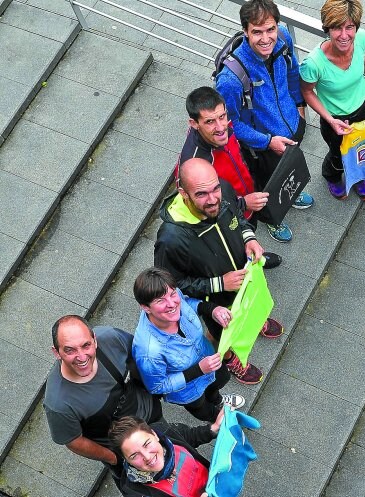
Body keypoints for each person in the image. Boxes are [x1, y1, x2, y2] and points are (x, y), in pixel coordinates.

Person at [154, 158, 284, 385]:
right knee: (221, 332)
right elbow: (171, 287)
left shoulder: (222, 188)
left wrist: (249, 238)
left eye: (215, 189)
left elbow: (238, 220)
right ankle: (230, 358)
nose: (213, 198)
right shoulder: (171, 239)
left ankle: (254, 323)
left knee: (251, 308)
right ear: (183, 193)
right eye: (202, 194)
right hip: (214, 300)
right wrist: (219, 284)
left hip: (246, 280)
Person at [215, 0, 314, 243]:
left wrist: (299, 108)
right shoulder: (231, 79)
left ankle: (291, 193)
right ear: (246, 31)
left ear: (277, 25)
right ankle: (272, 219)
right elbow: (230, 125)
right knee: (266, 185)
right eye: (257, 32)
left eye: (270, 29)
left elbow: (292, 72)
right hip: (261, 146)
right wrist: (268, 142)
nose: (266, 38)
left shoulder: (283, 40)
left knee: (288, 172)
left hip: (291, 126)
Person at [43, 315, 163, 496]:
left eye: (86, 345)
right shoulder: (58, 403)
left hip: (151, 416)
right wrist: (114, 458)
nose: (82, 357)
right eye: (69, 350)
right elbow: (74, 441)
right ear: (56, 352)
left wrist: (154, 389)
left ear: (95, 340)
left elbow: (139, 356)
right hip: (124, 450)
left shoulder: (111, 338)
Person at [300, 0, 365, 200]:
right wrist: (330, 120)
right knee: (338, 155)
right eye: (336, 28)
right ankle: (332, 176)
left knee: (363, 146)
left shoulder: (362, 39)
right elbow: (307, 92)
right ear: (327, 28)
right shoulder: (313, 63)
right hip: (336, 118)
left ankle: (359, 178)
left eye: (349, 27)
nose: (344, 35)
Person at [132, 267, 245, 422]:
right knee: (202, 408)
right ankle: (218, 420)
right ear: (145, 307)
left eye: (172, 294)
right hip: (190, 390)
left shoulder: (174, 295)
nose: (171, 303)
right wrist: (199, 370)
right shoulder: (148, 350)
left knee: (218, 383)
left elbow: (185, 303)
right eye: (160, 301)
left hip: (209, 358)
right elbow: (157, 387)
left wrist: (211, 309)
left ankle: (218, 401)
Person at [182, 86, 287, 252]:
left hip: (248, 195)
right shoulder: (195, 164)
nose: (221, 127)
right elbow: (202, 207)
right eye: (209, 121)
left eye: (222, 116)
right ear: (194, 124)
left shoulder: (224, 127)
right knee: (238, 247)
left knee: (251, 235)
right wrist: (243, 204)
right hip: (231, 217)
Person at [109, 415, 223, 497]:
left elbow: (190, 435)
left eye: (147, 444)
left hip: (219, 485)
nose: (147, 457)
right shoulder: (134, 492)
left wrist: (213, 428)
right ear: (126, 460)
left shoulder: (166, 431)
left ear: (155, 435)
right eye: (134, 455)